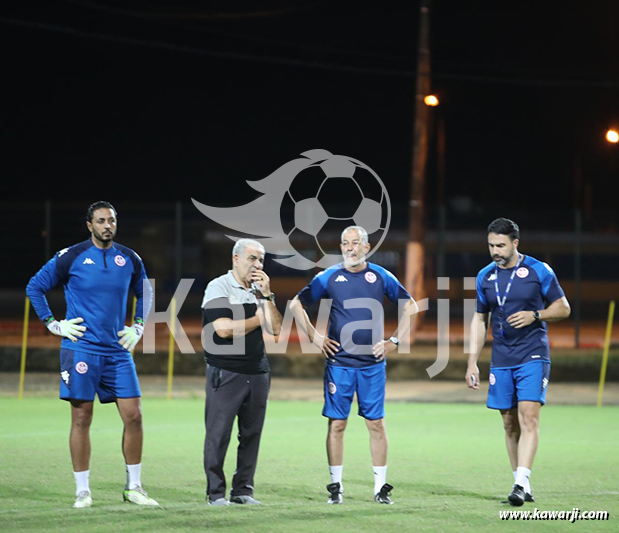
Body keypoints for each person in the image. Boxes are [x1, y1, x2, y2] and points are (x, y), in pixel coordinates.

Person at [26, 201, 158, 508]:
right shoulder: (71, 256)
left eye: (111, 220)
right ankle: (82, 490)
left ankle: (134, 487)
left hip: (117, 351)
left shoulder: (129, 258)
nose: (107, 226)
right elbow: (35, 286)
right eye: (101, 221)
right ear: (90, 225)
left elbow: (145, 291)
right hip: (81, 348)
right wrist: (53, 324)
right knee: (82, 418)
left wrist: (138, 326)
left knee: (134, 416)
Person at [289, 226, 418, 505]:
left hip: (372, 365)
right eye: (345, 243)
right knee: (337, 425)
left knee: (377, 425)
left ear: (367, 247)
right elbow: (296, 305)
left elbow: (411, 306)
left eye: (355, 243)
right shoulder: (330, 276)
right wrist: (314, 336)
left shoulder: (380, 276)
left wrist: (393, 341)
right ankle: (336, 487)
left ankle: (380, 488)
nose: (350, 248)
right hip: (339, 365)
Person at [466, 218, 570, 506]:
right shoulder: (484, 276)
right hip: (501, 357)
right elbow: (479, 319)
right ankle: (521, 482)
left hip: (533, 354)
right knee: (509, 423)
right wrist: (472, 362)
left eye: (500, 245)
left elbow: (563, 307)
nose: (495, 251)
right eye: (491, 246)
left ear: (515, 243)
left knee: (528, 417)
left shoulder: (538, 270)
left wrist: (535, 315)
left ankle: (521, 483)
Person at [201, 238, 283, 506]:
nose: (257, 265)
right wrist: (260, 317)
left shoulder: (261, 291)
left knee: (251, 435)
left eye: (261, 259)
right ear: (235, 259)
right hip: (226, 371)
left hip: (258, 371)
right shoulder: (219, 286)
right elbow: (223, 329)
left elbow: (276, 329)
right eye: (252, 258)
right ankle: (215, 494)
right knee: (219, 434)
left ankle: (243, 491)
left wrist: (267, 295)